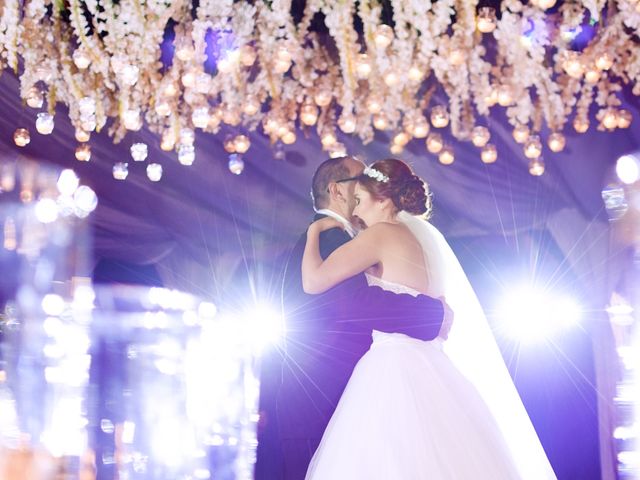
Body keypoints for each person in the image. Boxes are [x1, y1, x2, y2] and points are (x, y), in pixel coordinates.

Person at [302, 159, 557, 480]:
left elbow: (313, 282)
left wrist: (314, 233)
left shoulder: (379, 235)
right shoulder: (420, 238)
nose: (354, 210)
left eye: (360, 200)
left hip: (391, 366)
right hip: (433, 364)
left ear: (382, 200)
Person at [256, 156, 447, 480]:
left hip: (346, 394)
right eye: (357, 183)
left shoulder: (355, 236)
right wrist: (434, 313)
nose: (362, 189)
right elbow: (355, 305)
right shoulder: (330, 237)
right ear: (337, 191)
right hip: (318, 400)